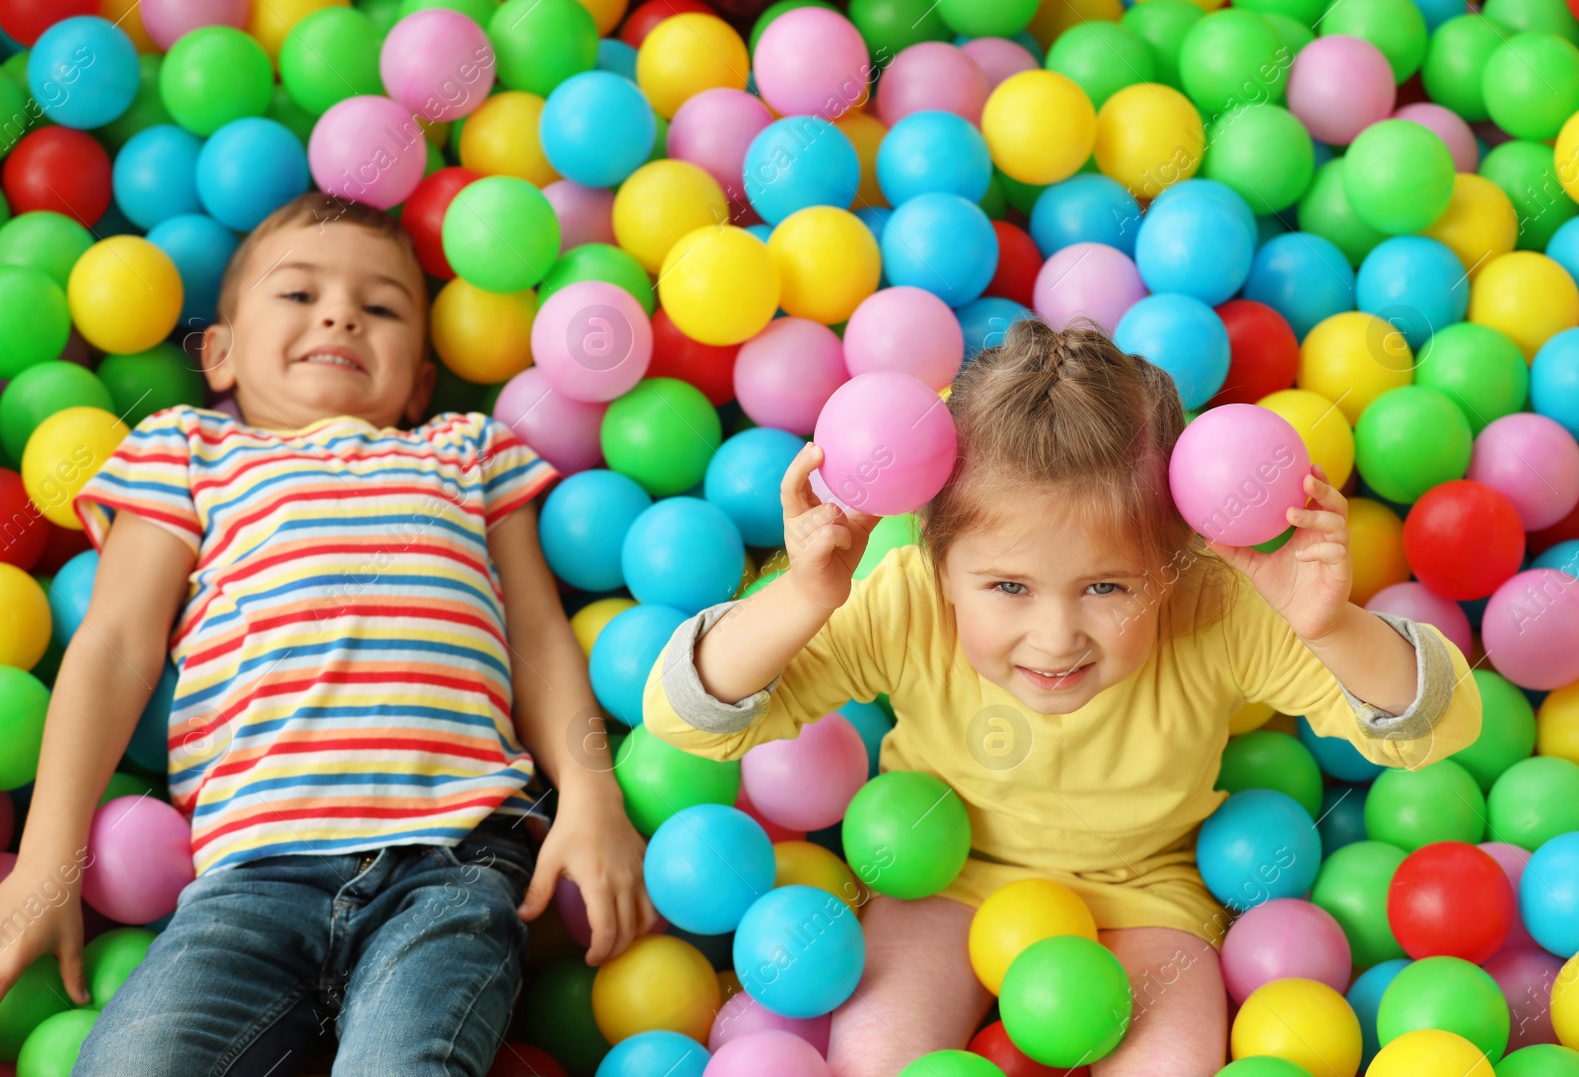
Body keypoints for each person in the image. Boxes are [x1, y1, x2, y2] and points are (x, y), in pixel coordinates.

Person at [642, 319, 1483, 1076]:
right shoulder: (905, 601)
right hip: (947, 874)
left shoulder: (1215, 606)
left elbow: (1440, 726)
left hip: (1147, 892)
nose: (1054, 638)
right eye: (1008, 585)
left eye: (1108, 588)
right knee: (875, 1055)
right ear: (938, 563)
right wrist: (802, 597)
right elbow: (682, 713)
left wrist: (1331, 627)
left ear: (1181, 553)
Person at [0, 193, 651, 1077]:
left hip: (452, 865)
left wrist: (589, 790)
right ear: (220, 354)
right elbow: (116, 644)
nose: (341, 311)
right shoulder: (187, 448)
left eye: (380, 307)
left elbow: (535, 637)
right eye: (299, 295)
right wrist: (48, 860)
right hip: (248, 876)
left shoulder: (465, 451)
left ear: (420, 381)